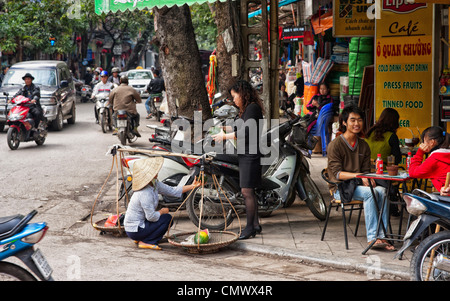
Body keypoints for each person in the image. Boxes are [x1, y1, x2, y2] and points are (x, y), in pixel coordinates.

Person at [327, 105, 394, 251]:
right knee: (371, 193)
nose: (356, 123)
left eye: (359, 120)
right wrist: (359, 176)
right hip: (341, 188)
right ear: (344, 122)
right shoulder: (335, 145)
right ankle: (373, 238)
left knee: (382, 191)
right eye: (352, 120)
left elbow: (365, 171)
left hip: (358, 185)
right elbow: (338, 174)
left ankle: (383, 236)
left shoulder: (363, 145)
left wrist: (368, 177)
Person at [212, 80, 264, 240]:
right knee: (250, 192)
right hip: (247, 153)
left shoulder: (252, 108)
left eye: (235, 96)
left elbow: (246, 132)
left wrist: (225, 136)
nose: (234, 100)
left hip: (251, 155)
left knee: (246, 191)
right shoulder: (249, 109)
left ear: (243, 94)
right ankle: (255, 225)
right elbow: (240, 127)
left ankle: (249, 228)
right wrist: (223, 129)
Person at [124, 157, 201, 250]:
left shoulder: (154, 183)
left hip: (140, 225)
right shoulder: (145, 193)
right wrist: (162, 211)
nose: (157, 172)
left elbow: (172, 190)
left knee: (164, 218)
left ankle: (144, 237)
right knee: (167, 219)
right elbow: (151, 217)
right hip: (135, 230)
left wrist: (192, 186)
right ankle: (147, 241)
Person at [409, 126, 450, 195]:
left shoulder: (434, 160)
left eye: (424, 141)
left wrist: (420, 152)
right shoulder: (445, 154)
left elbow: (413, 173)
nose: (422, 144)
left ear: (432, 142)